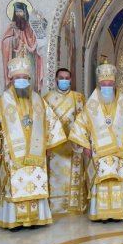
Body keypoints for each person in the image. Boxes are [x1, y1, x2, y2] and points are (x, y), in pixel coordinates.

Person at [0, 56, 65, 229]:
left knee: (36, 183)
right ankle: (14, 221)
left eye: (25, 78)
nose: (22, 81)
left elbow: (51, 122)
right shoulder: (3, 102)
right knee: (14, 185)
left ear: (29, 79)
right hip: (12, 155)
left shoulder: (39, 100)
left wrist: (49, 144)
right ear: (11, 79)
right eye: (18, 78)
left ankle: (36, 219)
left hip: (36, 154)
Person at [67, 63, 123, 221]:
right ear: (99, 85)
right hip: (99, 153)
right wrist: (84, 145)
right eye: (104, 85)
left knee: (118, 182)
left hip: (120, 152)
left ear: (114, 84)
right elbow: (81, 125)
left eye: (110, 84)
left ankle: (119, 213)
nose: (107, 87)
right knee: (102, 183)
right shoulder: (91, 105)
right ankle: (101, 214)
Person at [43, 67, 89, 214]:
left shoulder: (79, 98)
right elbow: (44, 123)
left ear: (70, 80)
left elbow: (85, 121)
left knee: (74, 174)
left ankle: (75, 205)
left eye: (66, 78)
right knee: (55, 177)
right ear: (56, 79)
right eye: (61, 78)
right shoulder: (47, 98)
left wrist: (84, 142)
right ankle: (55, 206)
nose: (64, 80)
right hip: (55, 146)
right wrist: (46, 145)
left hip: (74, 144)